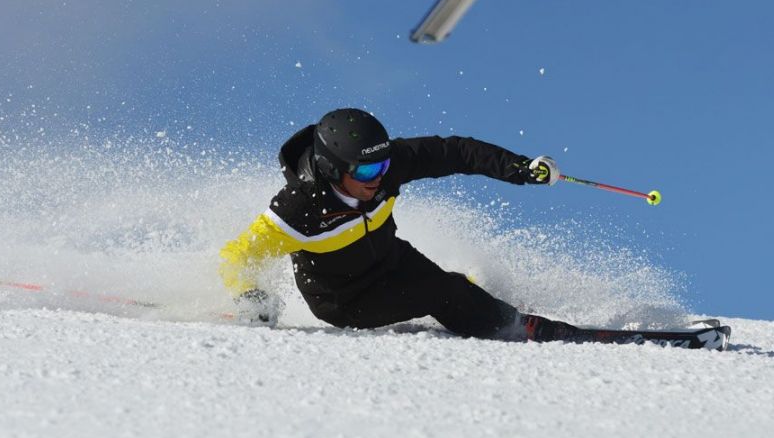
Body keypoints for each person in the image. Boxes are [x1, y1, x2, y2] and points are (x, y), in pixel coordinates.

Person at [219, 107, 574, 341]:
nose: (379, 178)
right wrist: (252, 297)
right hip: (346, 299)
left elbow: (455, 151)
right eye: (368, 170)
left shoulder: (389, 165)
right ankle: (513, 327)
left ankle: (490, 313)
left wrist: (519, 168)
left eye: (383, 166)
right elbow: (237, 256)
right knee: (446, 292)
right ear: (331, 169)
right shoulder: (300, 207)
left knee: (455, 286)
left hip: (391, 259)